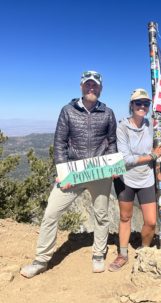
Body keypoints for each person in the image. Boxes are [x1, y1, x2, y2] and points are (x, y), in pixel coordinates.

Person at [20, 70, 117, 278]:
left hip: (99, 171)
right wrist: (62, 171)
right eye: (88, 84)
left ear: (100, 88)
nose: (92, 88)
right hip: (73, 172)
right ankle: (41, 260)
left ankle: (98, 254)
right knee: (51, 213)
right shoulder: (67, 110)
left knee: (101, 215)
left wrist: (110, 167)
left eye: (95, 85)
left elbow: (111, 142)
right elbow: (60, 142)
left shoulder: (108, 113)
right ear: (82, 86)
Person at [108, 88, 161, 272]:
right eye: (138, 103)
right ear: (131, 105)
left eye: (146, 103)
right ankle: (123, 254)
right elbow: (126, 159)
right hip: (125, 178)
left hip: (146, 178)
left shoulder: (152, 125)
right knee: (125, 217)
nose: (142, 106)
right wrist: (151, 156)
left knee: (150, 221)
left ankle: (144, 250)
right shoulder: (122, 127)